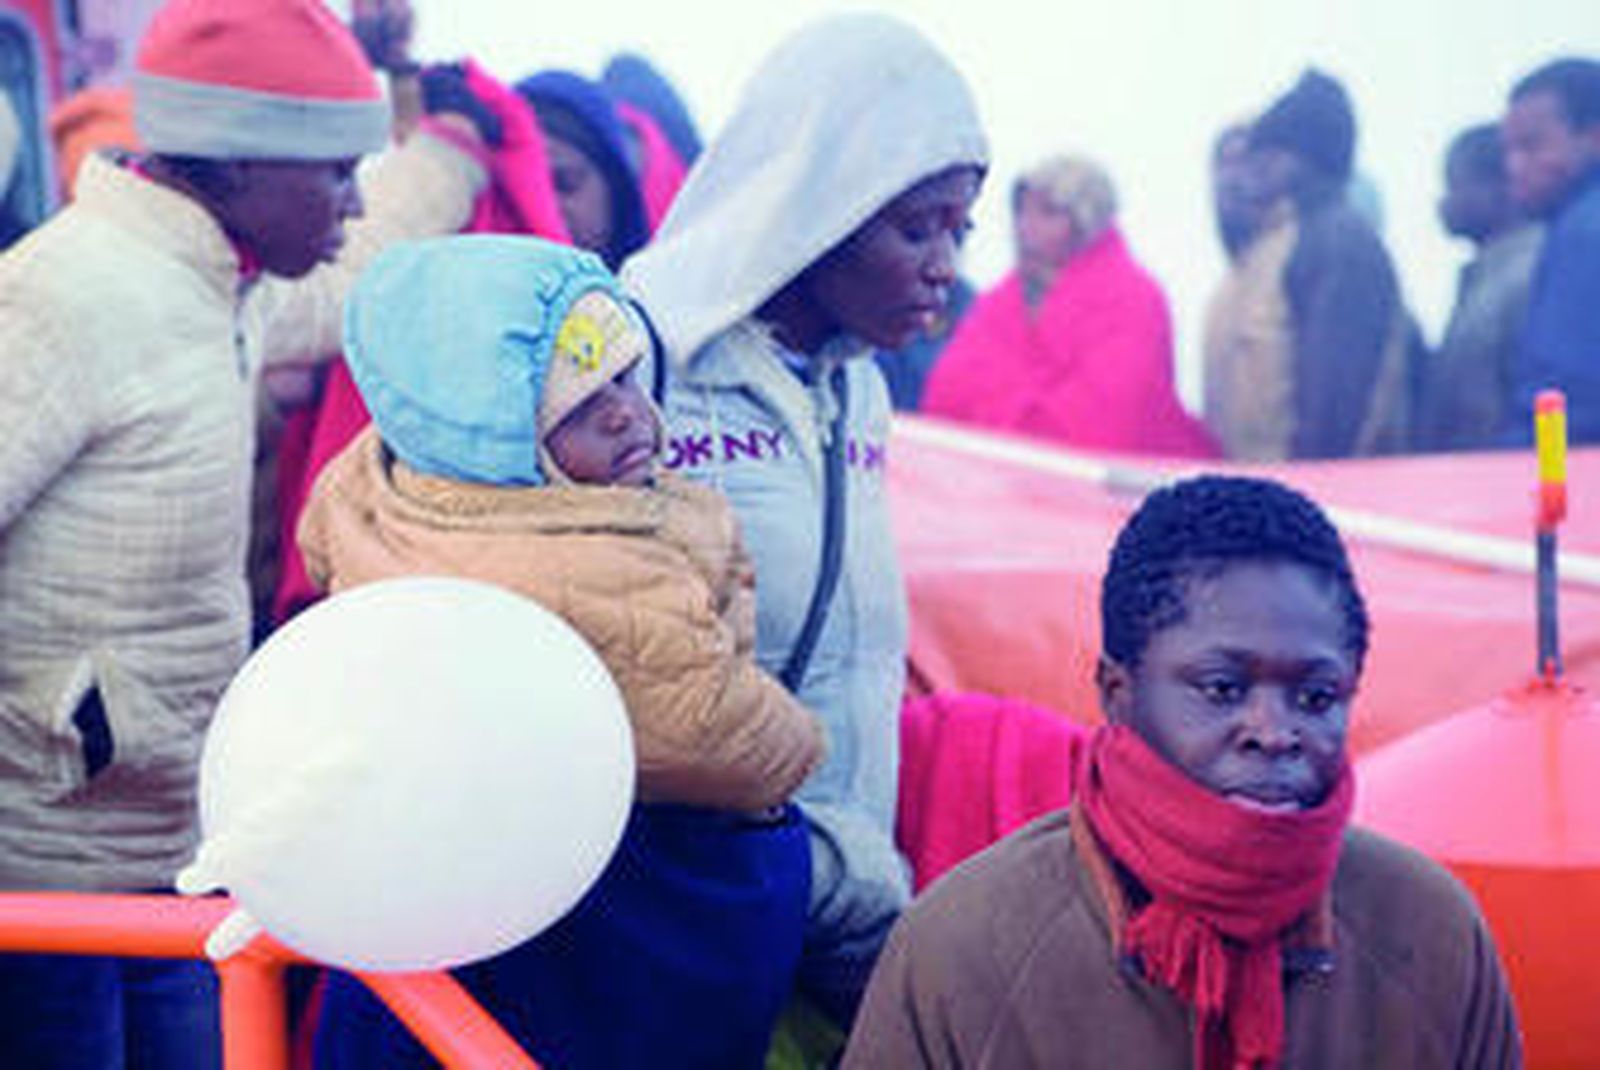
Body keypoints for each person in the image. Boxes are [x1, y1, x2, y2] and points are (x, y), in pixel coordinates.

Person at [0, 1, 488, 1064]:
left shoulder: (225, 285)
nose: (354, 203)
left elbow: (370, 279)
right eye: (331, 175)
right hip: (35, 889)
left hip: (171, 856)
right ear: (227, 169)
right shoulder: (66, 295)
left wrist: (444, 141)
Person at [303, 235, 823, 1069]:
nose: (628, 412)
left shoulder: (381, 489)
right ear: (492, 431)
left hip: (441, 913)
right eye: (581, 406)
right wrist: (801, 742)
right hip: (604, 929)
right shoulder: (579, 563)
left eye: (627, 375)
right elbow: (721, 737)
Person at [843, 475, 1523, 1069]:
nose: (1275, 732)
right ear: (1117, 691)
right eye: (1222, 688)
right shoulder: (966, 947)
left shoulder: (1429, 931)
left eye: (1316, 698)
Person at [622, 12, 988, 1030]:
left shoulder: (859, 390)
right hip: (686, 898)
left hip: (832, 900)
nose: (944, 264)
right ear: (817, 205)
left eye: (960, 228)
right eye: (916, 227)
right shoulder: (640, 357)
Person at [921, 155, 1216, 456]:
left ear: (1086, 223)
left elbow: (1101, 428)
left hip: (1120, 487)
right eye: (1021, 210)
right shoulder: (998, 304)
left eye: (1048, 213)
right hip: (996, 484)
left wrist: (996, 409)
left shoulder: (1135, 300)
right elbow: (946, 399)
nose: (1026, 226)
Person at [1208, 69, 1413, 459]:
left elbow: (1337, 404)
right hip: (1262, 490)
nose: (1254, 169)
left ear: (1308, 159)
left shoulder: (1338, 243)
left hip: (1307, 498)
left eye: (1270, 154)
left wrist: (1311, 495)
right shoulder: (1269, 246)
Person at [1417, 123, 1542, 451]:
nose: (1444, 201)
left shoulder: (1529, 274)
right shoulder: (1488, 275)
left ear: (1502, 186)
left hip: (1500, 478)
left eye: (1455, 184)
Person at [1501, 57, 1600, 443]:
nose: (1514, 166)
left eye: (1531, 145)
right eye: (1508, 150)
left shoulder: (1585, 233)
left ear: (1594, 137)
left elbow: (1568, 400)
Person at [517, 69, 649, 270]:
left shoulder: (659, 292)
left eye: (565, 183)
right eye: (525, 191)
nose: (545, 208)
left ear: (616, 187)